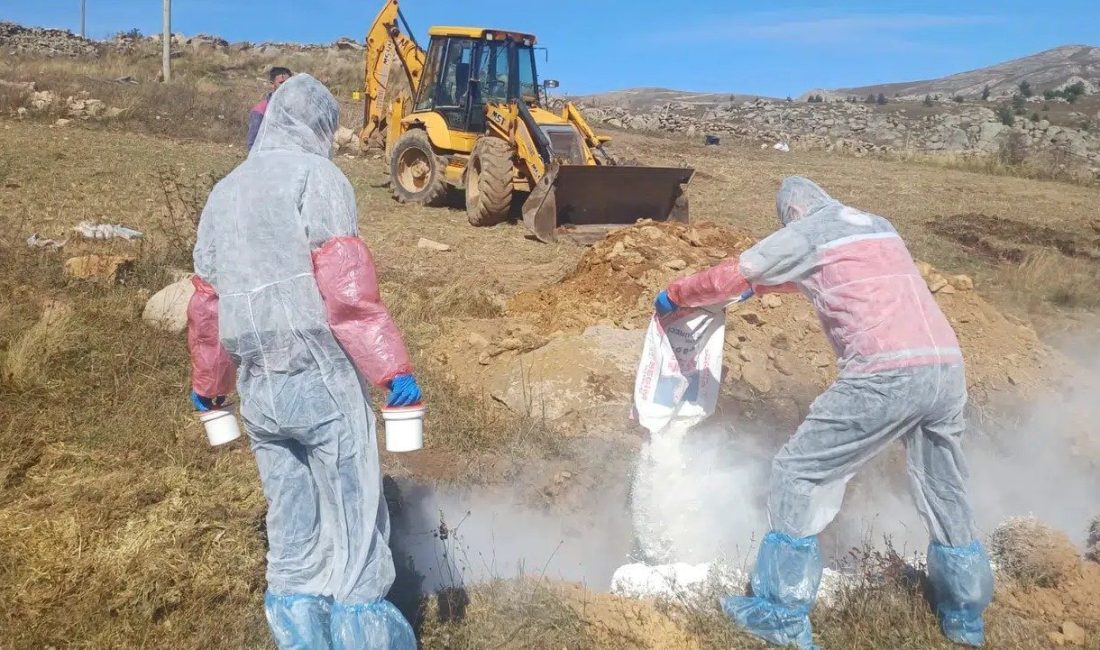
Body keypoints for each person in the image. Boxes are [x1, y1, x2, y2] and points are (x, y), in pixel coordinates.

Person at [654, 177, 994, 649]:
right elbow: (843, 274)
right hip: (945, 368)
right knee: (944, 485)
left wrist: (677, 294)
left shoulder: (805, 231)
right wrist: (768, 288)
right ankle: (964, 613)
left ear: (790, 213)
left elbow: (734, 274)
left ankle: (780, 613)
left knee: (798, 472)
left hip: (884, 373)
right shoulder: (878, 225)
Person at [188, 73, 420, 650]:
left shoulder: (224, 191)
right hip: (319, 380)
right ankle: (361, 629)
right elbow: (347, 294)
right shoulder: (318, 177)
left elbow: (207, 304)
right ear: (318, 126)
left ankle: (300, 630)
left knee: (290, 515)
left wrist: (210, 385)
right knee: (354, 512)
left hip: (258, 390)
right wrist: (391, 372)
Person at [246, 66, 292, 151]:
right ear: (272, 84)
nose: (286, 86)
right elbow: (252, 144)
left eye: (288, 83)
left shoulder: (293, 109)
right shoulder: (260, 111)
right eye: (281, 83)